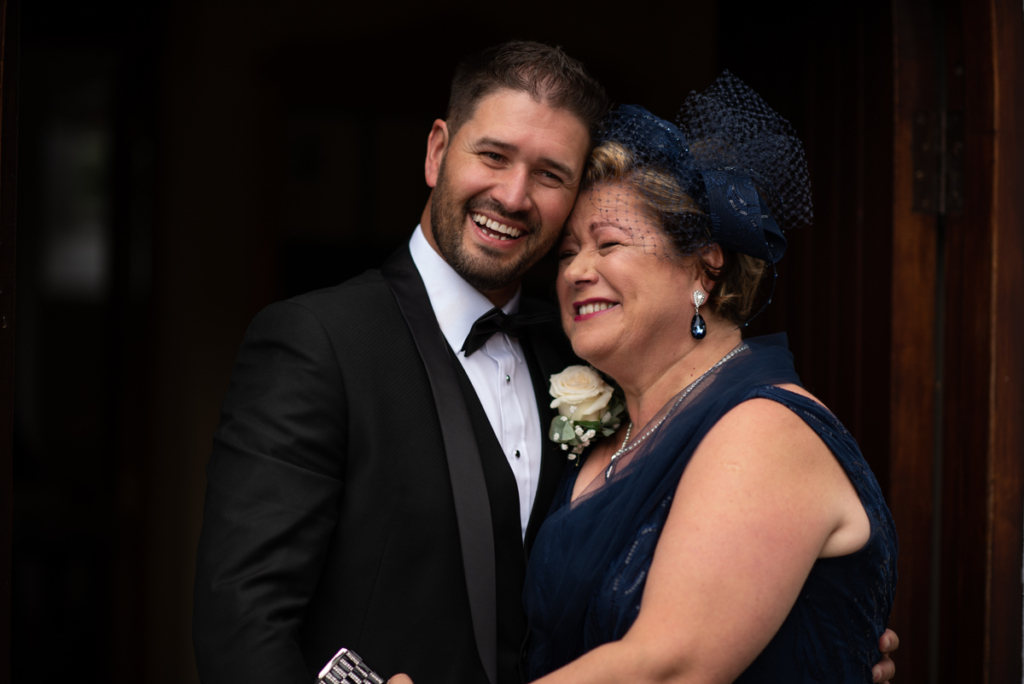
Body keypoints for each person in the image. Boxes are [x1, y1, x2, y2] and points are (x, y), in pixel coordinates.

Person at [193, 42, 899, 684]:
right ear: (438, 151)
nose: (512, 195)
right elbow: (243, 625)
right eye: (493, 156)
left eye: (550, 174)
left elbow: (675, 641)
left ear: (705, 271)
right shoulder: (316, 341)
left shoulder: (590, 362)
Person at [518, 75, 898, 682]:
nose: (577, 271)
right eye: (566, 254)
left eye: (607, 243)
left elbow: (670, 666)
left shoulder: (763, 432)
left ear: (705, 265)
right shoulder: (610, 442)